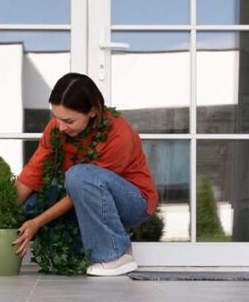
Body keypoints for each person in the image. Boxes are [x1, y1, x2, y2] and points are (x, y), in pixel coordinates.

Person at [11, 73, 157, 276]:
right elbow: (31, 175)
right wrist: (2, 214)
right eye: (56, 117)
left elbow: (80, 190)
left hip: (133, 202)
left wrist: (37, 222)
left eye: (69, 120)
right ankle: (77, 252)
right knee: (28, 205)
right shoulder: (57, 129)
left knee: (78, 176)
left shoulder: (117, 134)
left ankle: (118, 254)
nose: (60, 126)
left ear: (92, 112)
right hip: (84, 195)